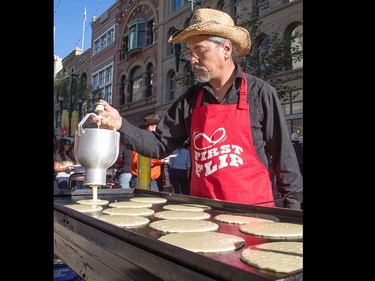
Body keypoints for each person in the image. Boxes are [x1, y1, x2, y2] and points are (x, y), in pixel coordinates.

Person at [91, 8, 303, 209]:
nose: (193, 60)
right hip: (203, 215)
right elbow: (158, 145)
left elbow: (284, 157)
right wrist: (120, 124)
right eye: (190, 52)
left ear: (226, 49)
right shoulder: (190, 100)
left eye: (200, 51)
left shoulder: (260, 93)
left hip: (254, 214)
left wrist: (293, 210)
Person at [129, 114, 169, 191]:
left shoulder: (148, 141)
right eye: (157, 127)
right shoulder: (142, 141)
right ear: (151, 127)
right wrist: (159, 160)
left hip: (149, 181)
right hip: (142, 181)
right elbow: (138, 161)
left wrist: (161, 161)